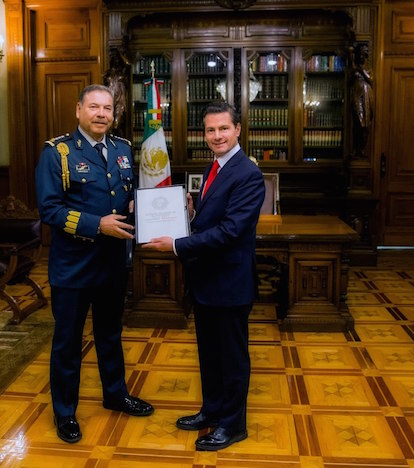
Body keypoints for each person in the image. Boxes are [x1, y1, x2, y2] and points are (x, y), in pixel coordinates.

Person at [35, 84, 154, 444]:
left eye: (107, 108)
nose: (102, 114)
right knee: (68, 342)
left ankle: (115, 394)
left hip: (112, 263)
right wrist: (96, 224)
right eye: (94, 107)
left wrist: (135, 205)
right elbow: (50, 210)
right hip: (73, 266)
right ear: (78, 110)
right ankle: (65, 412)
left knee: (110, 334)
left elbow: (124, 194)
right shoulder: (58, 152)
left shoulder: (122, 148)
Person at [143, 101, 265, 451]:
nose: (217, 135)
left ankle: (233, 424)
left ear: (238, 129)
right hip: (207, 281)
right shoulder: (215, 165)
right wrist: (191, 213)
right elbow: (212, 220)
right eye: (210, 130)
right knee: (210, 354)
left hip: (230, 283)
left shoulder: (248, 173)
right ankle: (212, 411)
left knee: (232, 359)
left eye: (223, 128)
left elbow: (230, 232)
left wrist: (177, 244)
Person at [350, 42, 374, 158]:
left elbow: (370, 79)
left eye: (363, 55)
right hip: (356, 95)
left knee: (365, 124)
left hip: (366, 96)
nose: (361, 57)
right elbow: (349, 80)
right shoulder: (353, 68)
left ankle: (361, 149)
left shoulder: (368, 69)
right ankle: (356, 149)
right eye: (359, 54)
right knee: (357, 122)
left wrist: (360, 70)